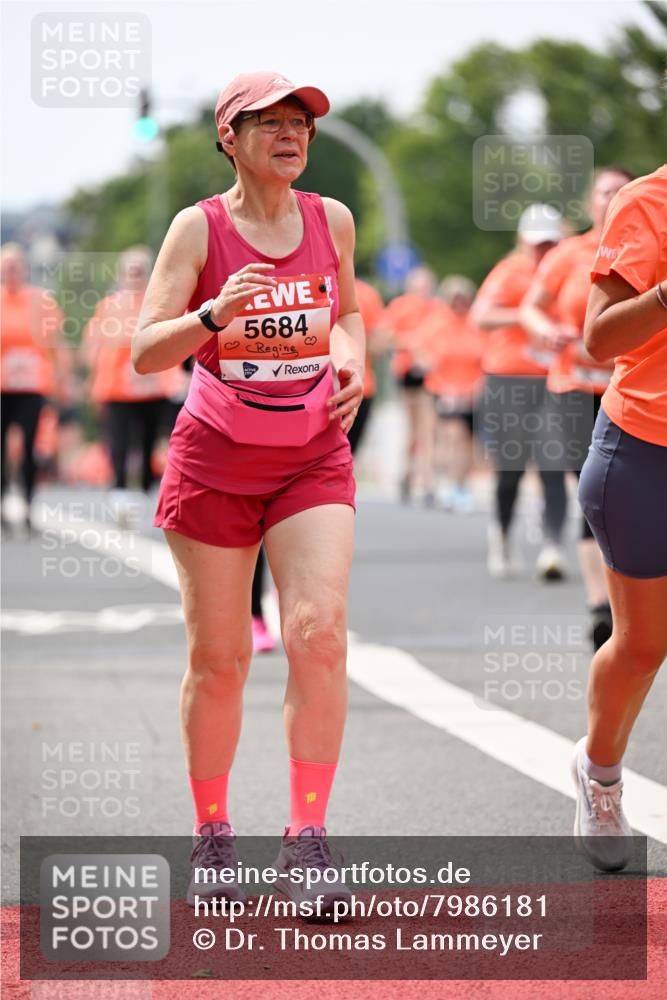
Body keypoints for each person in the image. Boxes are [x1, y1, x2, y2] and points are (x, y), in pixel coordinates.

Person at [132, 71, 364, 909]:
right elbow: (146, 352)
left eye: (300, 122)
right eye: (266, 123)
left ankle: (305, 840)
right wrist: (212, 316)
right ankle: (212, 831)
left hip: (310, 453)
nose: (290, 135)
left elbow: (348, 310)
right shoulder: (197, 228)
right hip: (216, 461)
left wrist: (353, 354)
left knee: (319, 633)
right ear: (228, 138)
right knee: (221, 661)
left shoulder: (328, 218)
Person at [572, 162, 667, 872]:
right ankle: (599, 774)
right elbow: (598, 340)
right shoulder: (645, 202)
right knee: (641, 647)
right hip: (643, 447)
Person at [520, 168, 633, 648]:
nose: (610, 200)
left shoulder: (649, 245)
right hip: (573, 389)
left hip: (631, 392)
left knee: (634, 502)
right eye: (603, 193)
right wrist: (545, 330)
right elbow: (531, 306)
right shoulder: (568, 254)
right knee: (597, 496)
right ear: (590, 203)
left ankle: (633, 603)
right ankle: (600, 608)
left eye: (619, 193)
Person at [471, 205, 567, 579]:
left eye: (550, 243)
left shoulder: (567, 270)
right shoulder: (511, 271)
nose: (544, 251)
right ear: (524, 242)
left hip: (554, 379)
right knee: (510, 467)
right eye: (537, 243)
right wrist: (529, 316)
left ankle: (553, 547)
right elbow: (481, 316)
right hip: (508, 379)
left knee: (553, 463)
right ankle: (503, 536)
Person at [81, 246, 182, 509]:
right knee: (120, 440)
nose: (135, 276)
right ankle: (119, 490)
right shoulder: (108, 306)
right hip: (117, 387)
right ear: (122, 274)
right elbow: (92, 344)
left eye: (140, 271)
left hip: (153, 385)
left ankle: (148, 489)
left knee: (151, 438)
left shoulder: (160, 303)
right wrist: (91, 377)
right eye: (131, 271)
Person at [1, 243, 66, 534]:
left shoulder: (42, 302)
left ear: (24, 269)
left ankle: (28, 506)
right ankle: (3, 504)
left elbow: (56, 346)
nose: (11, 270)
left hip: (31, 387)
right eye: (6, 266)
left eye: (16, 265)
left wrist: (61, 381)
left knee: (29, 447)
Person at [419, 276, 483, 511]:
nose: (459, 304)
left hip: (472, 392)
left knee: (468, 442)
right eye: (454, 299)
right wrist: (430, 365)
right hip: (443, 390)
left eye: (463, 299)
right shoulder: (437, 324)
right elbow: (423, 353)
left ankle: (462, 485)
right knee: (451, 436)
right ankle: (449, 484)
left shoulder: (476, 324)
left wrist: (479, 385)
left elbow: (487, 356)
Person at [377, 267, 439, 503]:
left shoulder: (436, 309)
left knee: (428, 427)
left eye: (426, 287)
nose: (423, 292)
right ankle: (408, 473)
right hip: (408, 372)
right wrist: (410, 343)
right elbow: (384, 336)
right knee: (416, 428)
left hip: (431, 374)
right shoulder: (400, 307)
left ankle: (427, 479)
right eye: (419, 287)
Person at [349, 277, 384, 456]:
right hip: (323, 389)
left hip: (360, 387)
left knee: (345, 455)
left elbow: (378, 346)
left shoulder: (366, 294)